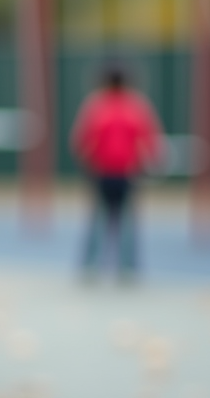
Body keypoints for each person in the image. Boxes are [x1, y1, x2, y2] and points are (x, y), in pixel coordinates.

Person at [69, 67, 163, 279]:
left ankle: (90, 265)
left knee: (98, 220)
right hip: (128, 172)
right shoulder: (136, 106)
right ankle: (127, 267)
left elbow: (81, 139)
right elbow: (149, 137)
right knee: (127, 221)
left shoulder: (96, 106)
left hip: (102, 171)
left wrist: (85, 162)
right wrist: (152, 162)